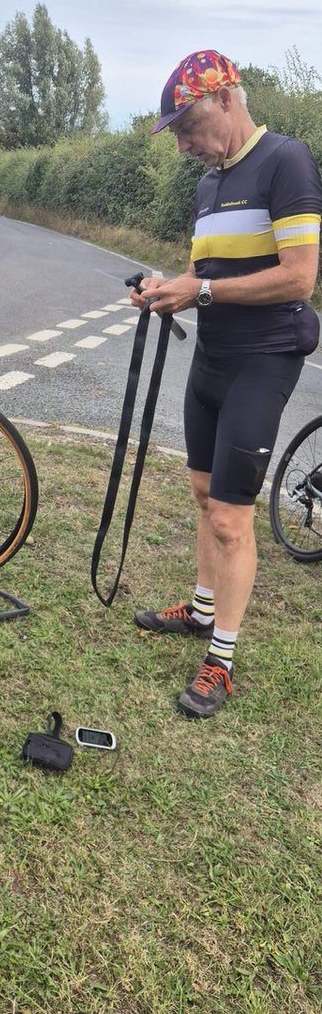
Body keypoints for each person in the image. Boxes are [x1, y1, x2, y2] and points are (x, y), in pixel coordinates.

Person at [130, 49, 322, 718]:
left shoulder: (286, 161)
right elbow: (205, 277)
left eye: (187, 125)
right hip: (212, 358)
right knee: (202, 492)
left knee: (231, 517)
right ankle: (202, 609)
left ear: (227, 98)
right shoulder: (208, 185)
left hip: (263, 359)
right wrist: (169, 289)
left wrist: (201, 291)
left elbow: (299, 277)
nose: (182, 144)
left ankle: (222, 658)